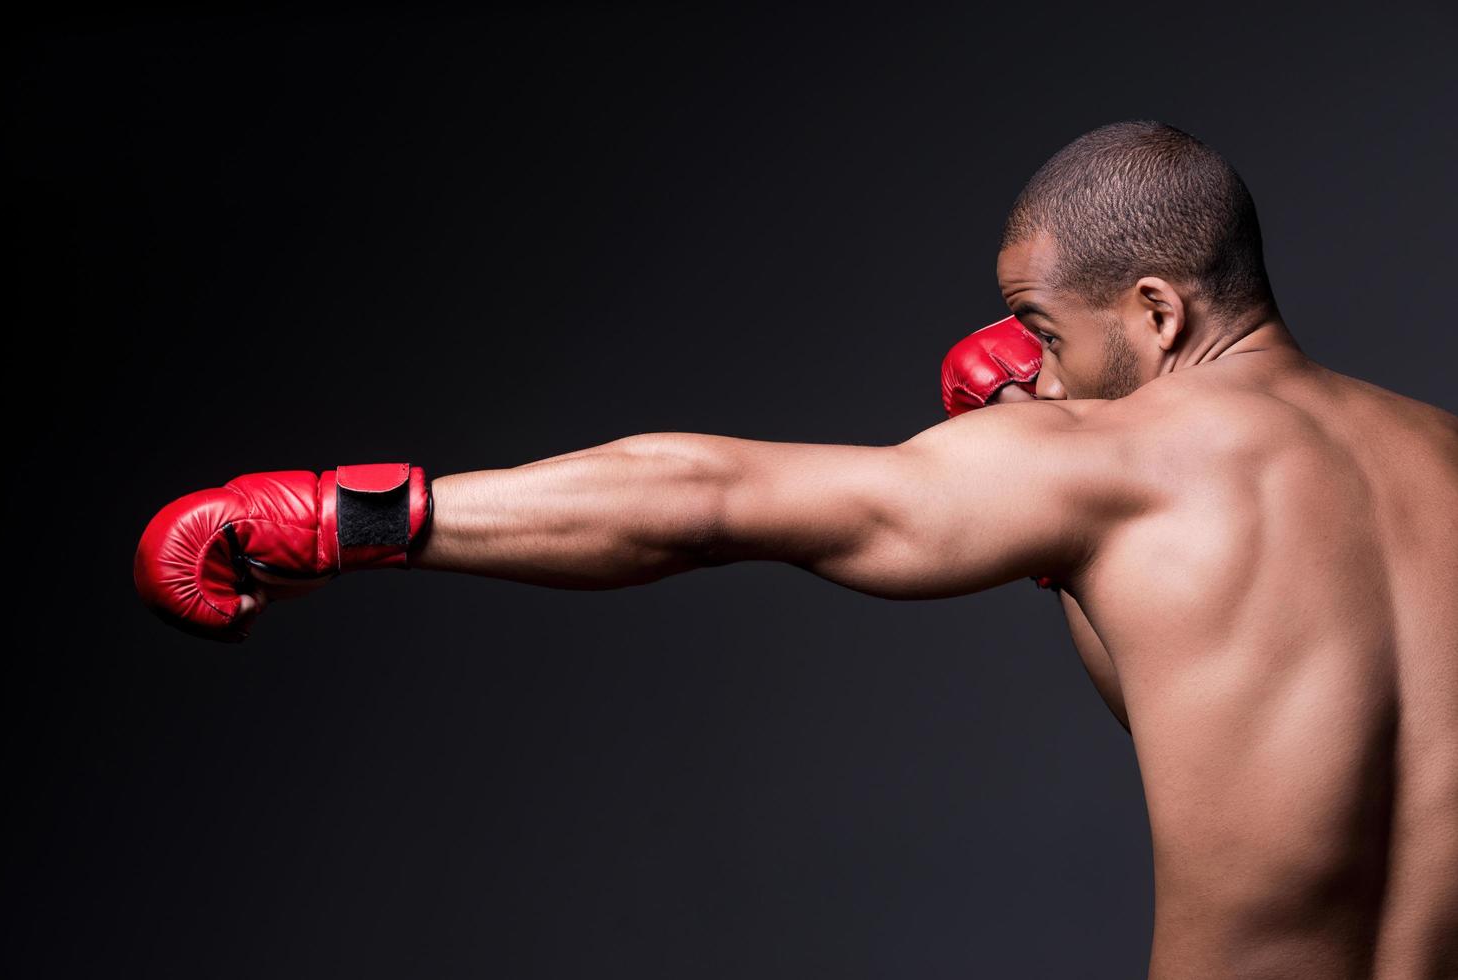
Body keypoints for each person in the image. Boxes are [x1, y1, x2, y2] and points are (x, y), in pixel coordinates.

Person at [132, 121, 1458, 978]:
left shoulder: (1109, 458)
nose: (1037, 376)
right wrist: (1062, 562)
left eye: (1043, 332)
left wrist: (356, 518)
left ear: (1156, 310)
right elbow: (1229, 729)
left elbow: (702, 496)